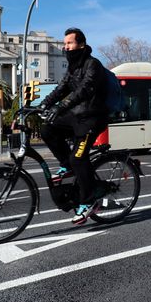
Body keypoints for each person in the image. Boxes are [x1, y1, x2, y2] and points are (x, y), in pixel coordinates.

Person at [39, 28, 109, 224]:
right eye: (65, 44)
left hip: (93, 118)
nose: (66, 47)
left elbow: (85, 89)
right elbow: (61, 88)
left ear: (81, 44)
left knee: (78, 158)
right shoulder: (73, 67)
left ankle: (88, 201)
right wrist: (43, 104)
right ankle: (67, 165)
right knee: (47, 128)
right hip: (77, 116)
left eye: (69, 43)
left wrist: (61, 106)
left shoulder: (93, 64)